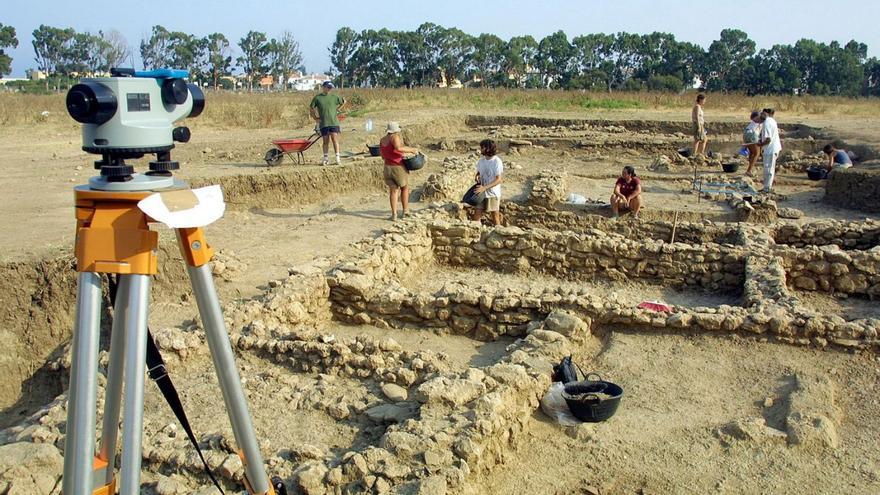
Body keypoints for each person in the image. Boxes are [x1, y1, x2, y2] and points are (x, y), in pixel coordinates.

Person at [379, 122, 419, 221]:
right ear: (395, 130)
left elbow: (382, 155)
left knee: (393, 190)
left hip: (387, 167)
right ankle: (405, 211)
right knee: (404, 188)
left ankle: (394, 214)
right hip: (397, 167)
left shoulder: (382, 140)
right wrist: (412, 150)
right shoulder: (394, 137)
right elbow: (399, 148)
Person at [309, 81, 347, 166]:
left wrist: (338, 109)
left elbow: (343, 102)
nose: (330, 89)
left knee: (334, 139)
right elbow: (311, 108)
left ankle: (337, 158)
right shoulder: (317, 98)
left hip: (334, 122)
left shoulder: (335, 97)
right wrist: (315, 118)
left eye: (331, 88)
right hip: (324, 123)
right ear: (323, 87)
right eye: (328, 87)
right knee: (325, 141)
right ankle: (326, 159)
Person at [472, 139, 504, 226]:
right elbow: (479, 173)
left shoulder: (496, 161)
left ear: (488, 148)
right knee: (477, 214)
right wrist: (477, 176)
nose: (480, 149)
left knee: (495, 216)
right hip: (481, 192)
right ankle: (476, 232)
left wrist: (484, 188)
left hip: (492, 193)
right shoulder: (481, 161)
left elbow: (498, 179)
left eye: (482, 147)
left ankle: (499, 232)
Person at [756, 109, 782, 193]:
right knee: (769, 168)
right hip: (773, 148)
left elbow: (768, 139)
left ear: (766, 113)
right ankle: (767, 187)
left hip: (770, 149)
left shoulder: (766, 122)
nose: (761, 115)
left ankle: (767, 189)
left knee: (768, 169)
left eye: (762, 113)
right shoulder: (772, 121)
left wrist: (760, 144)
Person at [743, 110, 763, 177]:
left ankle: (750, 169)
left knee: (752, 153)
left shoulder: (752, 123)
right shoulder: (761, 121)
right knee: (756, 153)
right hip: (753, 134)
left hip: (746, 133)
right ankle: (749, 170)